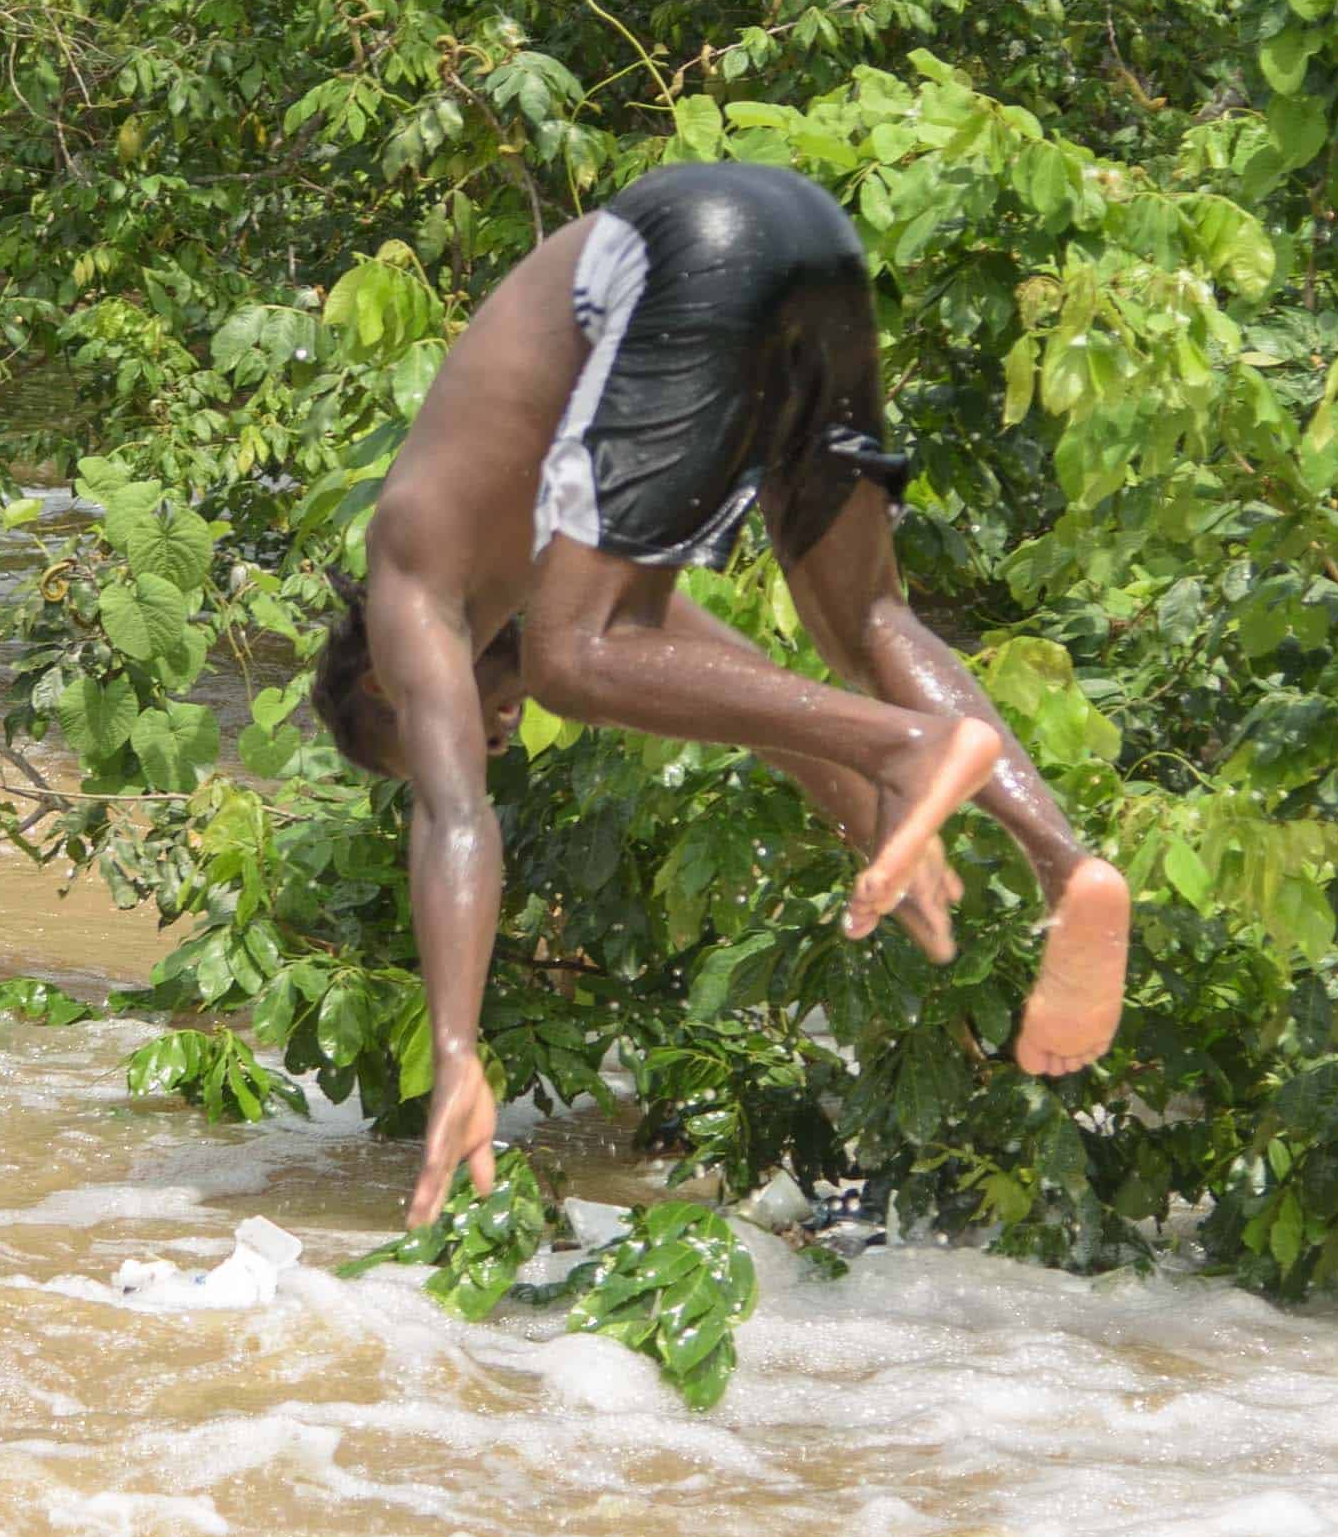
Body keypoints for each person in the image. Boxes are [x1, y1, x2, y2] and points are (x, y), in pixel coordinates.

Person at [308, 160, 1130, 1221]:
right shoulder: (549, 552)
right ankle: (1067, 866)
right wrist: (872, 820)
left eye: (426, 725)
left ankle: (919, 747)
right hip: (808, 231)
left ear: (387, 679)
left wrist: (458, 1051)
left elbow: (451, 812)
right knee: (868, 624)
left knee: (571, 663)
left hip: (671, 246)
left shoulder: (409, 566)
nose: (482, 733)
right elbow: (764, 701)